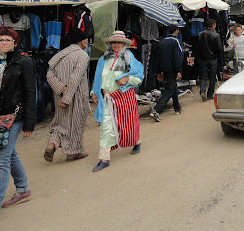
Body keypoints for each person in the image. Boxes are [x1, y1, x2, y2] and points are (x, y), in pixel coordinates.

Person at [0, 26, 35, 211]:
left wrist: (29, 123)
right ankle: (23, 189)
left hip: (15, 116)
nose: (4, 43)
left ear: (15, 43)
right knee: (10, 152)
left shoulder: (24, 62)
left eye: (8, 40)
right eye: (1, 39)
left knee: (1, 158)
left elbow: (30, 92)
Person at [90, 31, 144, 171]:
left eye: (119, 42)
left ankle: (136, 141)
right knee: (106, 127)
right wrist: (94, 92)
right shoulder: (103, 59)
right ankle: (104, 158)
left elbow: (139, 75)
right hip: (107, 98)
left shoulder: (129, 58)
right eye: (113, 42)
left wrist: (127, 79)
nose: (116, 45)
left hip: (124, 96)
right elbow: (98, 76)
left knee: (129, 123)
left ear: (124, 44)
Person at [45, 29, 90, 162]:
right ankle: (73, 153)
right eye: (86, 40)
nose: (87, 42)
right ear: (82, 41)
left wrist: (61, 89)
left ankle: (52, 143)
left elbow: (49, 75)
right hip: (75, 96)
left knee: (60, 122)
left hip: (59, 94)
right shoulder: (82, 56)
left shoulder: (59, 55)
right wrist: (67, 98)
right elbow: (75, 78)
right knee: (75, 123)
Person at [150, 26, 183, 121]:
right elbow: (178, 57)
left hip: (164, 69)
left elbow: (158, 58)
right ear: (176, 31)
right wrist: (178, 71)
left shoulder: (163, 41)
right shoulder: (176, 41)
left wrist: (158, 71)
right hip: (172, 69)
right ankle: (156, 110)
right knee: (169, 90)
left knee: (173, 87)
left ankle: (177, 108)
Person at [197, 19, 223, 101]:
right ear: (213, 26)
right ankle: (210, 94)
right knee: (212, 77)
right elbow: (219, 48)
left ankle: (202, 91)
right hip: (213, 58)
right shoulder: (216, 35)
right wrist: (220, 58)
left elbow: (197, 47)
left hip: (202, 58)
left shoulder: (200, 34)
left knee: (203, 76)